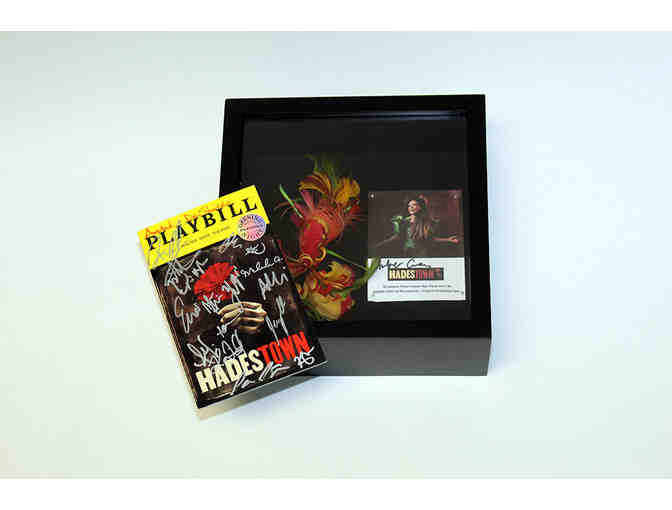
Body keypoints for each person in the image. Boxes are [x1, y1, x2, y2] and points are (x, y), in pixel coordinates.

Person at [375, 196, 460, 257]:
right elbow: (398, 236)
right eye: (409, 206)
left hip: (422, 254)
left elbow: (430, 239)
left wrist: (448, 240)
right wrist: (382, 243)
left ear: (420, 207)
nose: (411, 207)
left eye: (414, 205)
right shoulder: (404, 221)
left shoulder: (426, 222)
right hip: (407, 253)